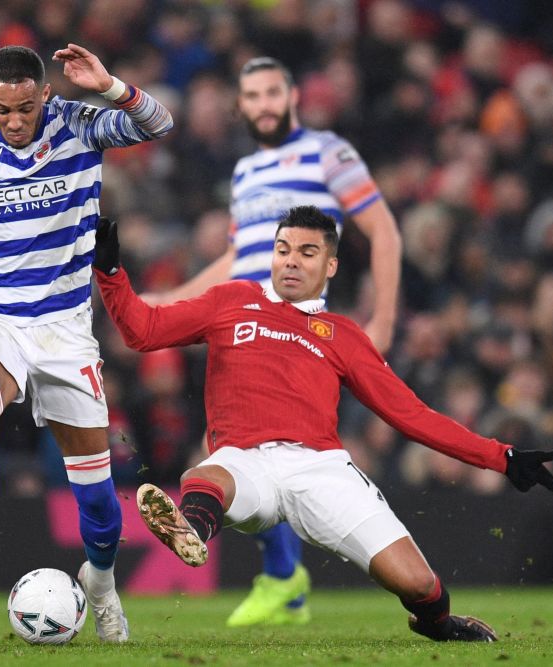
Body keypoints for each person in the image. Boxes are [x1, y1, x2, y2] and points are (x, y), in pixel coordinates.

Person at [93, 206, 553, 642]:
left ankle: (438, 624)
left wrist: (501, 458)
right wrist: (111, 274)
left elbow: (411, 414)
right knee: (206, 476)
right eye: (283, 250)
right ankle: (191, 530)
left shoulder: (343, 336)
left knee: (418, 583)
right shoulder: (232, 300)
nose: (291, 262)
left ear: (330, 266)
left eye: (306, 252)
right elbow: (144, 331)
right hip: (244, 460)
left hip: (321, 468)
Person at [144, 56, 403, 627]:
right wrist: (166, 303)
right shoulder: (244, 173)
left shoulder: (328, 152)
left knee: (275, 449)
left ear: (291, 98)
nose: (262, 104)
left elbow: (381, 227)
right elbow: (238, 259)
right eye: (252, 96)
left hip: (301, 329)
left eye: (271, 93)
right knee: (242, 447)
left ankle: (296, 573)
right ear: (242, 106)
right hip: (245, 323)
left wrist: (381, 320)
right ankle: (285, 578)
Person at [0, 44, 173, 643]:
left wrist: (111, 84)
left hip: (67, 332)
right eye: (2, 110)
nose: (14, 121)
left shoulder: (78, 124)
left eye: (25, 108)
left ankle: (102, 584)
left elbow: (159, 124)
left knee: (96, 502)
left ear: (44, 96)